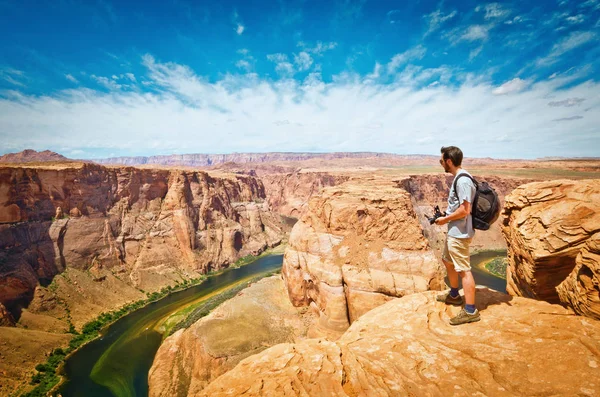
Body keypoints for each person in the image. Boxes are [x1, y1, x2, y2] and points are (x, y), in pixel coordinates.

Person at [434, 146, 480, 325]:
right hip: (455, 231)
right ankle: (454, 294)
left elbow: (465, 210)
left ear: (449, 161)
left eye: (441, 161)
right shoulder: (459, 178)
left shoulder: (462, 181)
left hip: (460, 233)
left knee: (463, 270)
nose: (441, 164)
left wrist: (445, 219)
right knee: (447, 260)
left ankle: (470, 311)